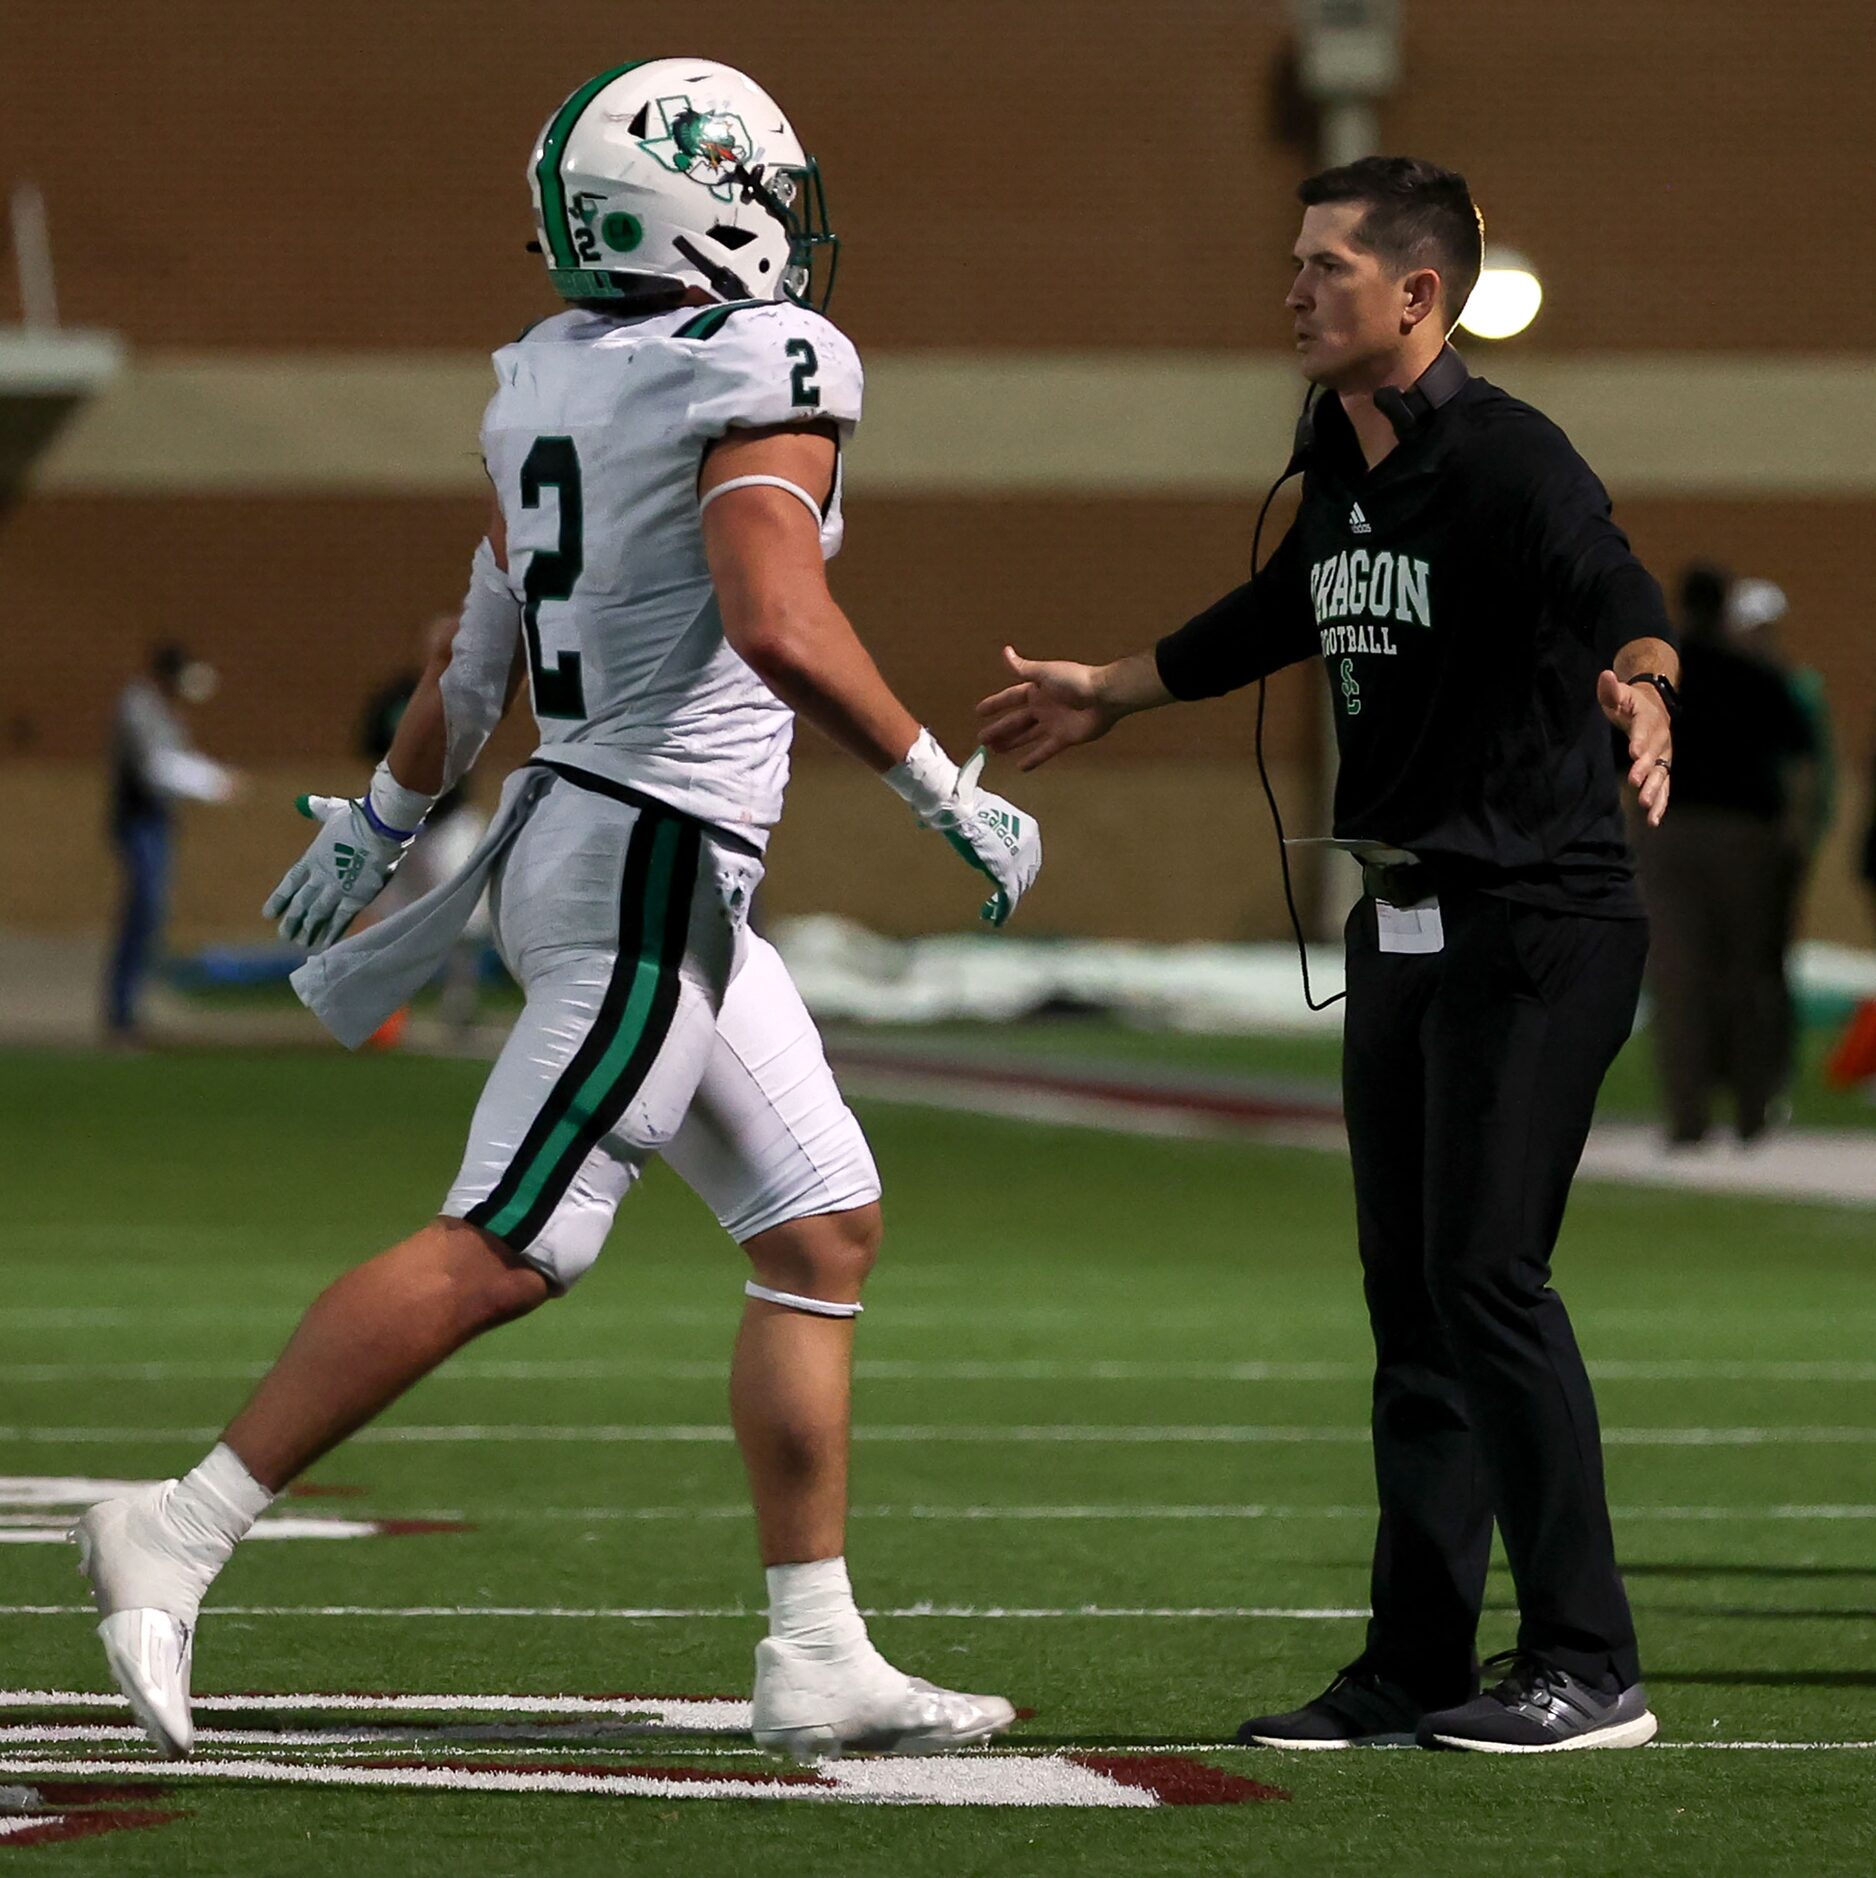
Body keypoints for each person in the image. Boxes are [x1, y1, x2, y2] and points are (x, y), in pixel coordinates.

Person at [72, 58, 1040, 1765]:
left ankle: (815, 1646)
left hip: (595, 834)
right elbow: (773, 614)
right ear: (704, 203)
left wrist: (382, 822)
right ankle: (187, 1515)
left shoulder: (547, 379)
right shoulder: (765, 361)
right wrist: (938, 783)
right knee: (517, 1236)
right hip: (655, 847)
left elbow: (476, 654)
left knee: (817, 1226)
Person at [978, 157, 1678, 1753]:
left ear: (1417, 295)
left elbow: (1614, 582)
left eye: (1325, 268)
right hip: (1409, 924)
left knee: (1491, 1275)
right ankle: (1418, 1661)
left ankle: (1591, 1660)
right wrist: (1111, 685)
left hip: (1541, 920)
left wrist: (1644, 678)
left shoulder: (1508, 457)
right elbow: (1283, 606)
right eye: (1294, 265)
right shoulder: (1337, 456)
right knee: (1414, 1302)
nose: (1293, 290)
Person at [1636, 566, 1818, 1142]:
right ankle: (1751, 1112)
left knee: (1679, 977)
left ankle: (1688, 1115)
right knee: (1748, 976)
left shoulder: (1664, 682)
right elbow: (1799, 765)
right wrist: (1794, 835)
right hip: (1747, 838)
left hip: (1672, 833)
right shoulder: (1758, 676)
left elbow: (1630, 766)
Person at [356, 615, 492, 1042]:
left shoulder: (467, 694)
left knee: (465, 918)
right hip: (402, 823)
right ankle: (382, 1010)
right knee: (392, 918)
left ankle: (459, 1004)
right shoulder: (398, 696)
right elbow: (367, 744)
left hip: (450, 820)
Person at [104, 644, 239, 1042]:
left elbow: (176, 756)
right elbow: (156, 767)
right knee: (145, 906)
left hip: (158, 820)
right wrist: (213, 783)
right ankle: (122, 1010)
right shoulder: (138, 708)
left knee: (151, 911)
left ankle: (131, 1007)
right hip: (138, 820)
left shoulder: (164, 709)